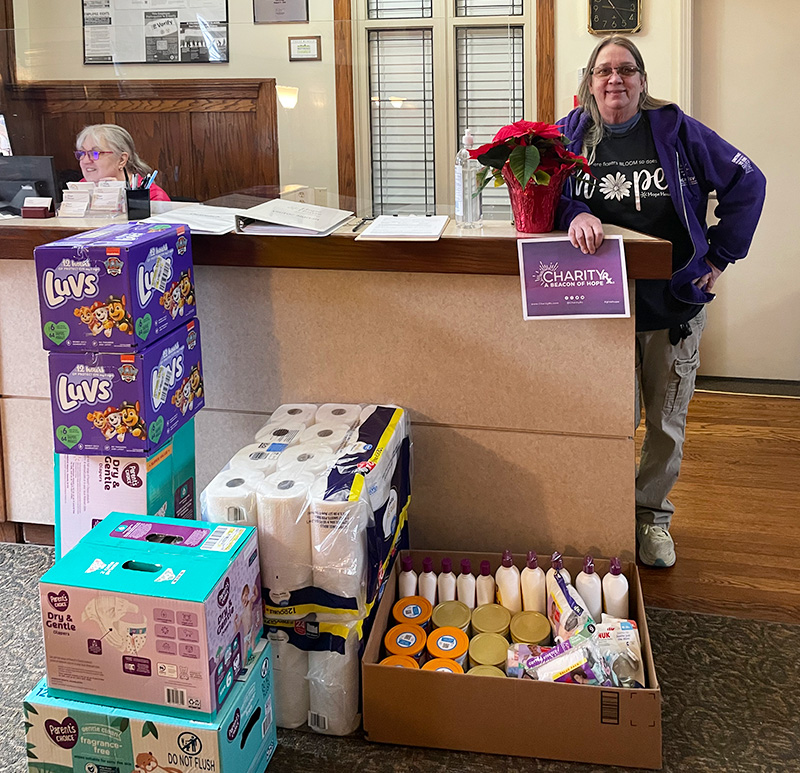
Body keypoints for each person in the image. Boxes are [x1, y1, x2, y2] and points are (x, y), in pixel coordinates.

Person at [556, 36, 766, 567]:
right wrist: (572, 214)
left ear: (642, 80)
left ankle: (651, 518)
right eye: (603, 70)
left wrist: (719, 259)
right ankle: (604, 516)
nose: (614, 80)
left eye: (626, 69)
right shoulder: (570, 134)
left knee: (666, 423)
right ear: (589, 80)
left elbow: (749, 181)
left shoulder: (677, 131)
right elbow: (545, 188)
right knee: (606, 421)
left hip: (673, 306)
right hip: (601, 309)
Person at [75, 123, 170, 201]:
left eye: (95, 153)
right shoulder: (81, 187)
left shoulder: (153, 196)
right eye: (82, 153)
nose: (86, 160)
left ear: (122, 160)